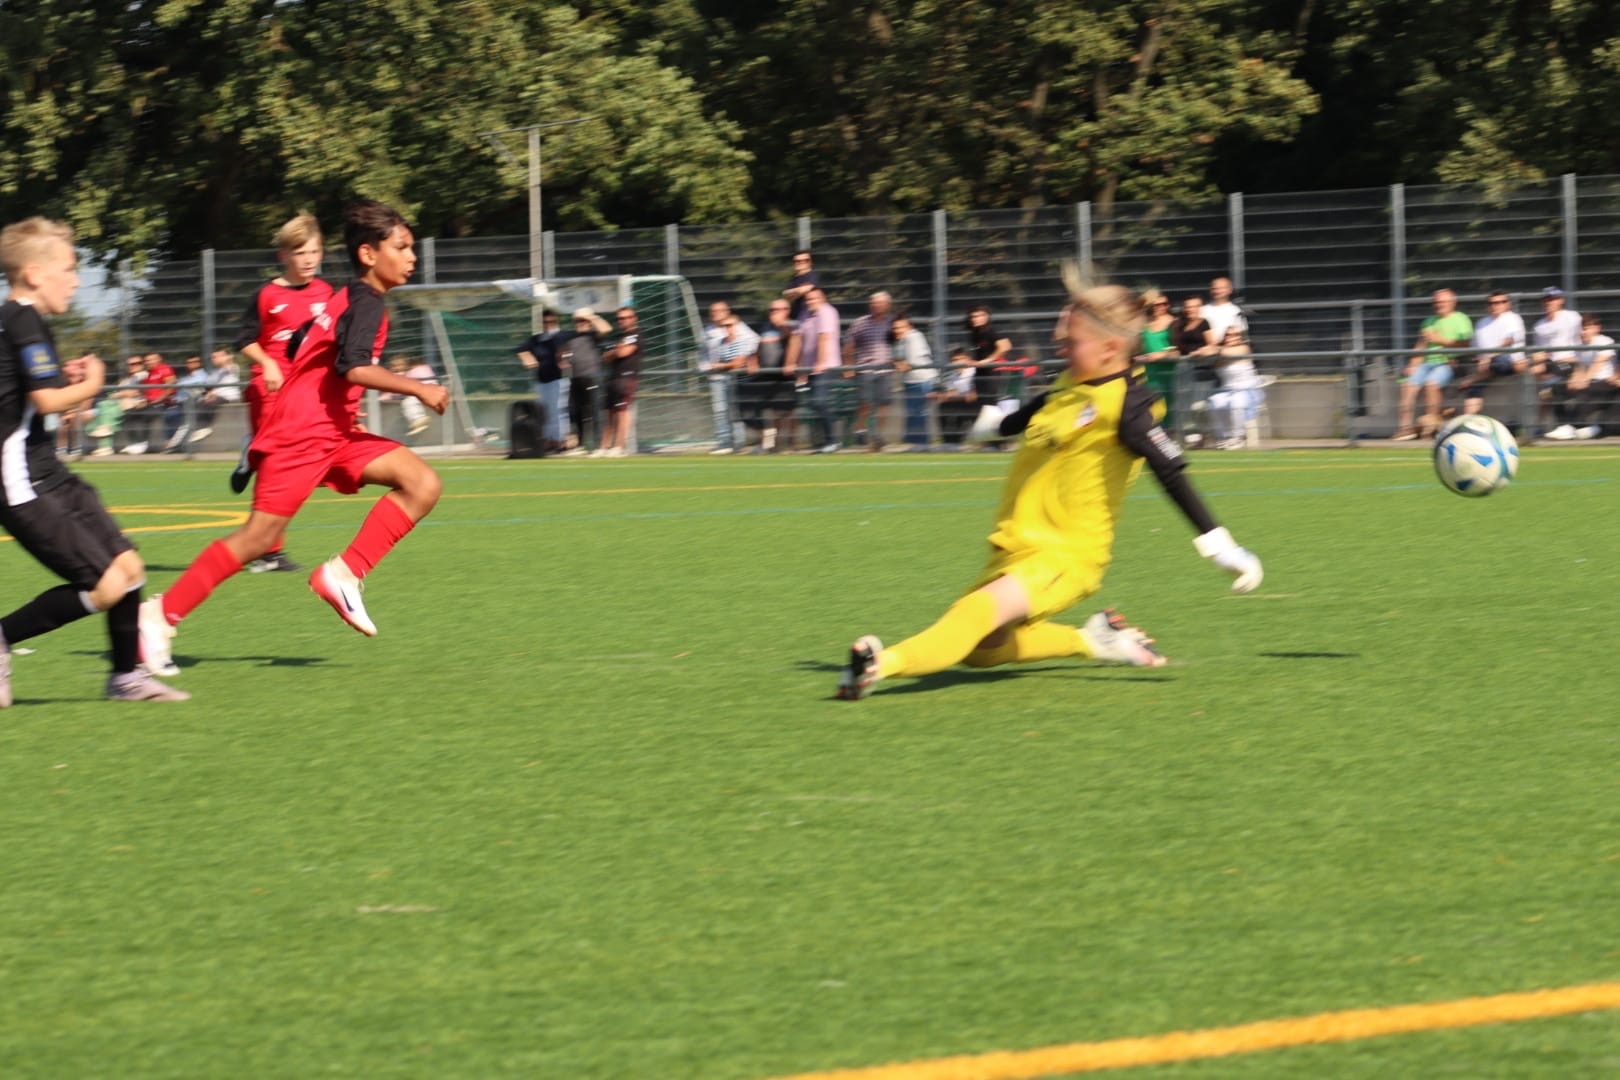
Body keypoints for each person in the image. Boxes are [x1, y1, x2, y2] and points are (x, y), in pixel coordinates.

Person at [837, 268, 1262, 700]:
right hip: (1017, 544)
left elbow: (1170, 470)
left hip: (1067, 555)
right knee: (983, 651)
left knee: (973, 614)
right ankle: (1094, 640)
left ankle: (877, 666)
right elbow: (1035, 409)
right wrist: (995, 425)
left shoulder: (1128, 408)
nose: (1061, 349)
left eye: (1071, 342)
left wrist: (1221, 547)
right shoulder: (1069, 384)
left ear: (1110, 349)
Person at [138, 199, 450, 678]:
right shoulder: (365, 301)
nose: (412, 257)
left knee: (422, 483)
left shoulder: (344, 296)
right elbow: (353, 367)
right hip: (303, 434)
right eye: (402, 247)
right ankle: (159, 616)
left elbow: (311, 349)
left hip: (334, 432)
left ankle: (343, 574)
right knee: (258, 538)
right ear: (369, 254)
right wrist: (419, 387)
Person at [0, 216, 188, 704]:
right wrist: (93, 383)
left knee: (130, 567)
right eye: (69, 268)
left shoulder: (24, 320)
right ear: (35, 274)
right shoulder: (21, 318)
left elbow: (30, 392)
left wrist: (66, 381)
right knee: (105, 585)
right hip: (19, 482)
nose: (77, 280)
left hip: (48, 472)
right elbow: (45, 402)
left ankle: (126, 678)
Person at [228, 212, 334, 572]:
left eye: (314, 252)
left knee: (290, 470)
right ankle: (268, 552)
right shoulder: (267, 295)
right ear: (283, 255)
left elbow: (329, 346)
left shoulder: (326, 293)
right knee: (278, 468)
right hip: (269, 389)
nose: (308, 259)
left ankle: (250, 454)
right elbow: (243, 340)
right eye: (300, 252)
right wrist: (268, 362)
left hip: (306, 395)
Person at [1394, 288, 1471, 440]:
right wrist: (1412, 364)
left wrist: (1440, 340)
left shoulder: (1461, 319)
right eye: (1436, 302)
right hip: (1427, 362)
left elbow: (1466, 344)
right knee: (1407, 384)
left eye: (1442, 302)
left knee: (1431, 384)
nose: (1439, 305)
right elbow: (1420, 346)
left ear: (1453, 303)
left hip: (1449, 362)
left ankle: (1432, 426)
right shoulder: (1428, 322)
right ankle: (1405, 428)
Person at [785, 285, 842, 453]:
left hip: (827, 366)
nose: (810, 302)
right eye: (808, 299)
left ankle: (833, 440)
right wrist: (791, 363)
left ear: (822, 299)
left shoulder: (827, 312)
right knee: (813, 404)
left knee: (819, 402)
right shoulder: (804, 314)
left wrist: (821, 362)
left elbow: (824, 337)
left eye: (814, 298)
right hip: (810, 368)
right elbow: (796, 339)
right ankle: (823, 441)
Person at [1458, 291, 1527, 416]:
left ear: (1508, 304)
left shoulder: (1513, 318)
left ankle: (1474, 378)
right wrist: (1479, 359)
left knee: (1499, 361)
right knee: (1473, 389)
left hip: (1509, 361)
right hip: (1487, 365)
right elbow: (1475, 348)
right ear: (1487, 306)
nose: (1496, 305)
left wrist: (1488, 357)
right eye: (1492, 303)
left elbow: (1509, 341)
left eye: (1501, 302)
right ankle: (1468, 419)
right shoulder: (1481, 323)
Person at [1548, 312, 1615, 440]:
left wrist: (1584, 381)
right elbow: (1580, 366)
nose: (1582, 332)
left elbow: (1598, 363)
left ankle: (1574, 426)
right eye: (1581, 329)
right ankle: (1563, 425)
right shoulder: (1580, 346)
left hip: (1604, 382)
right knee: (1558, 387)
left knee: (1583, 393)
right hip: (1589, 380)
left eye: (1586, 328)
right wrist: (1574, 379)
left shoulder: (1605, 341)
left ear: (1596, 328)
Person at [741, 300, 797, 451]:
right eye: (771, 310)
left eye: (777, 309)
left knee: (787, 412)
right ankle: (773, 445)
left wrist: (782, 325)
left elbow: (795, 340)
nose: (773, 313)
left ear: (787, 310)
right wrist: (752, 361)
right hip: (766, 375)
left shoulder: (793, 325)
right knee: (766, 410)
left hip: (784, 376)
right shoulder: (765, 327)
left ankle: (792, 445)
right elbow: (755, 347)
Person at [701, 300, 755, 454]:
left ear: (727, 312)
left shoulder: (738, 326)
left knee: (734, 410)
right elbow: (703, 351)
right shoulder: (707, 330)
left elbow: (753, 341)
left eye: (718, 311)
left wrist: (747, 359)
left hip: (734, 375)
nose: (714, 314)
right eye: (712, 311)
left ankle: (738, 443)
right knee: (719, 410)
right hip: (716, 376)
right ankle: (724, 443)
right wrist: (704, 367)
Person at [1531, 286, 1584, 439]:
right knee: (1543, 383)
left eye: (1553, 299)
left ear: (1561, 300)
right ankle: (1538, 426)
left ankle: (1563, 425)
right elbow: (1540, 351)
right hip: (1552, 365)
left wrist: (1579, 366)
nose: (1549, 302)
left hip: (1569, 362)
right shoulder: (1539, 325)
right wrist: (1538, 359)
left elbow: (1581, 341)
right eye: (1547, 299)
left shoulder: (1572, 317)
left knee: (1551, 386)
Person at [845, 291, 895, 450]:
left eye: (880, 303)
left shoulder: (893, 323)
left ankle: (878, 436)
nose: (876, 305)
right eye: (873, 303)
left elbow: (899, 344)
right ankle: (860, 430)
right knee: (865, 402)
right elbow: (849, 346)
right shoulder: (860, 323)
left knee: (884, 404)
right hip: (865, 368)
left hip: (885, 370)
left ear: (887, 305)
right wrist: (848, 366)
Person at [1205, 326, 1267, 449]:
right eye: (1228, 335)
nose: (1231, 337)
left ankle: (1238, 437)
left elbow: (1224, 353)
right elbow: (1208, 355)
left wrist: (1213, 349)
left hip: (1247, 390)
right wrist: (1208, 350)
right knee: (1214, 402)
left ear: (1240, 337)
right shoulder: (1220, 353)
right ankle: (1223, 437)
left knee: (1237, 402)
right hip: (1227, 391)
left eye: (1235, 335)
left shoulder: (1244, 348)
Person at [561, 307, 611, 455]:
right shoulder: (571, 336)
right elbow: (563, 353)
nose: (579, 323)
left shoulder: (594, 335)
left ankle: (599, 446)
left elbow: (606, 329)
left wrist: (591, 317)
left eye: (582, 321)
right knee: (575, 413)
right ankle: (579, 445)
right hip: (576, 378)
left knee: (596, 412)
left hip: (592, 377)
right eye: (577, 321)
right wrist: (563, 360)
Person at [516, 311, 567, 452]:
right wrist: (526, 357)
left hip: (558, 379)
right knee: (544, 412)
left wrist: (564, 358)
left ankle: (560, 440)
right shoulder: (537, 339)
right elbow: (521, 349)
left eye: (551, 322)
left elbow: (565, 351)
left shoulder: (561, 336)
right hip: (541, 380)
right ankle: (548, 440)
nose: (548, 325)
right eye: (545, 322)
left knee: (558, 411)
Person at [599, 306, 641, 458]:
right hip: (614, 377)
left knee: (622, 412)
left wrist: (616, 351)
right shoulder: (619, 337)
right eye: (620, 318)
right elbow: (605, 357)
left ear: (634, 318)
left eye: (626, 317)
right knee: (609, 412)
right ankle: (604, 447)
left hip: (627, 377)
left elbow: (624, 352)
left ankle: (619, 446)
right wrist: (617, 350)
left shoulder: (636, 335)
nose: (623, 321)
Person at [891, 309, 936, 449]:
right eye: (895, 328)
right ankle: (913, 444)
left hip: (921, 381)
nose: (897, 330)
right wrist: (898, 363)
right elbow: (897, 361)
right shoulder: (901, 340)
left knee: (919, 414)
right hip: (911, 381)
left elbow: (908, 364)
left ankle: (920, 445)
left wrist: (899, 364)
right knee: (912, 414)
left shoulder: (913, 337)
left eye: (900, 327)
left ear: (909, 326)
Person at [930, 347, 979, 445]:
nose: (955, 363)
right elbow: (951, 392)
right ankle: (948, 441)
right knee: (943, 407)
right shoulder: (952, 375)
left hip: (972, 405)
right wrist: (942, 396)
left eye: (959, 359)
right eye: (953, 360)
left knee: (955, 409)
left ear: (968, 359)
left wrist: (949, 396)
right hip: (958, 403)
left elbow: (972, 396)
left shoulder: (975, 372)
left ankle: (956, 440)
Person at [163, 354, 211, 451]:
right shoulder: (185, 377)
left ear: (199, 363)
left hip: (193, 403)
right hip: (181, 403)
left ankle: (173, 445)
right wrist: (175, 398)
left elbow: (192, 383)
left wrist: (176, 382)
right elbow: (180, 390)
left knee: (183, 422)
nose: (192, 364)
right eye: (189, 362)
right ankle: (171, 443)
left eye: (195, 362)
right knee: (170, 414)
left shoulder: (202, 375)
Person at [1203, 276, 1248, 343]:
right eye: (1214, 288)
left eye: (1221, 288)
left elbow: (1241, 334)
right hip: (1205, 346)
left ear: (1230, 290)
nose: (1217, 291)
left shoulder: (1236, 311)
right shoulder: (1202, 310)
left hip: (1229, 346)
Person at [782, 250, 820, 321]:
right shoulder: (795, 279)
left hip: (809, 317)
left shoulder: (812, 275)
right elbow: (786, 295)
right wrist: (800, 290)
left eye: (805, 260)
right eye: (797, 261)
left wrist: (793, 293)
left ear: (811, 262)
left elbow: (808, 289)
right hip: (797, 316)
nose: (801, 262)